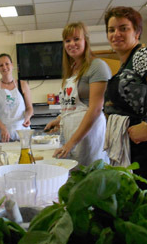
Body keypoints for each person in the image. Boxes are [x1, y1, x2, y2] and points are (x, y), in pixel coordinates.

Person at [103, 6, 147, 183]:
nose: (116, 34)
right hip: (134, 149)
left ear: (137, 32)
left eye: (123, 28)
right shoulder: (125, 64)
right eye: (111, 29)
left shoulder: (143, 56)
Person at [44, 22, 111, 166]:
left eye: (76, 39)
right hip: (71, 134)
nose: (71, 44)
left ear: (85, 40)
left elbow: (95, 108)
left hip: (88, 136)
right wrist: (59, 120)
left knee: (89, 176)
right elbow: (73, 106)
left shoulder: (97, 66)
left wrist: (71, 143)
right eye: (67, 40)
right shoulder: (72, 69)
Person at [0, 53, 33, 142]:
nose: (4, 67)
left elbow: (29, 107)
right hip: (0, 135)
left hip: (21, 133)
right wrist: (3, 128)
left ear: (12, 64)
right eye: (1, 65)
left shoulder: (23, 85)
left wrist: (27, 117)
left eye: (7, 64)